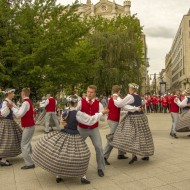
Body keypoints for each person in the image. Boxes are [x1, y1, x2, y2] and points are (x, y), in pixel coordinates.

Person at [32, 95, 109, 184]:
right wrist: (101, 113)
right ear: (76, 103)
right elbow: (90, 120)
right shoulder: (78, 113)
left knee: (61, 154)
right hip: (74, 135)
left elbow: (63, 122)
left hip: (64, 134)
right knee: (83, 155)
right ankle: (82, 176)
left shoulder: (65, 111)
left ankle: (58, 175)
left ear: (68, 102)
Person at [110, 83, 154, 164]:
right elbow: (142, 103)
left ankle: (134, 155)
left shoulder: (130, 96)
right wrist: (137, 108)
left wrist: (115, 99)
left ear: (131, 89)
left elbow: (120, 104)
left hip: (133, 118)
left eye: (129, 88)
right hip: (141, 117)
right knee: (142, 135)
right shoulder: (138, 96)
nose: (128, 89)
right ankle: (145, 154)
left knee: (131, 135)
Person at [77, 85, 105, 177]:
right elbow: (75, 114)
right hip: (81, 128)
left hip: (94, 129)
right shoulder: (80, 103)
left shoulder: (99, 104)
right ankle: (75, 167)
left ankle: (100, 168)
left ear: (95, 93)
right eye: (88, 92)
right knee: (76, 147)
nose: (89, 94)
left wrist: (102, 116)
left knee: (99, 147)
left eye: (91, 92)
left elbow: (102, 118)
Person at [9, 88, 35, 169]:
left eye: (21, 92)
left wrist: (11, 107)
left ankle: (29, 163)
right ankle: (31, 159)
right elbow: (20, 111)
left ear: (23, 93)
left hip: (29, 126)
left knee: (24, 144)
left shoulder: (25, 103)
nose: (20, 93)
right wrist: (13, 105)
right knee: (27, 143)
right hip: (30, 125)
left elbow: (18, 115)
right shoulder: (27, 102)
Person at [103, 85, 127, 165]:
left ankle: (121, 153)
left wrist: (124, 112)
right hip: (114, 120)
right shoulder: (117, 98)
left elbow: (114, 109)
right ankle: (103, 157)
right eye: (120, 90)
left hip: (111, 119)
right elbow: (122, 105)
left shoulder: (111, 98)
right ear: (118, 91)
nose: (120, 92)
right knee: (112, 138)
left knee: (120, 135)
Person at [0, 89, 22, 166]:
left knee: (8, 140)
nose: (14, 94)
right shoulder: (6, 102)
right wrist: (7, 108)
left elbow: (18, 110)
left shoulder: (10, 102)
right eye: (13, 93)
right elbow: (3, 113)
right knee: (7, 140)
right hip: (7, 123)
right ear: (9, 94)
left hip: (9, 122)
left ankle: (3, 158)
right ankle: (3, 159)